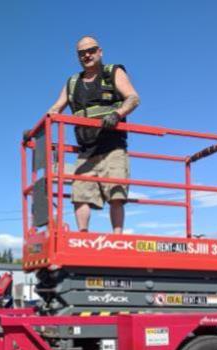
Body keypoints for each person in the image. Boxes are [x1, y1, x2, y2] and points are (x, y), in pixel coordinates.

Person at [48, 35, 140, 234]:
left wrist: (117, 114)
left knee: (116, 194)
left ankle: (117, 238)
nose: (87, 55)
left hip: (112, 147)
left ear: (100, 52)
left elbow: (133, 98)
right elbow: (55, 109)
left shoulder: (112, 72)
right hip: (86, 151)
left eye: (91, 50)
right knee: (80, 195)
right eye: (82, 53)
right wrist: (38, 129)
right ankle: (82, 235)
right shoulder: (73, 82)